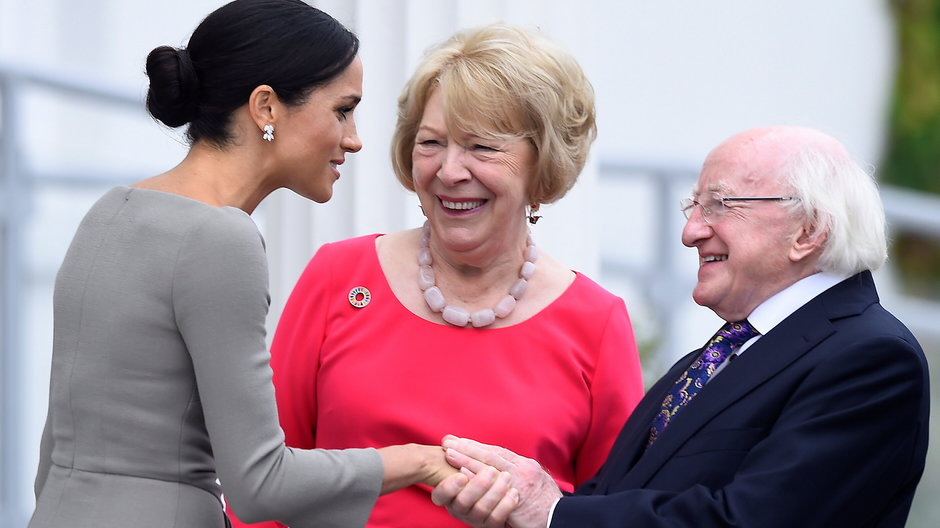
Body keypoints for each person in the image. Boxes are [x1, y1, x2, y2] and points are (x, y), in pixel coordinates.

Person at [28, 2, 456, 527]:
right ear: (266, 107)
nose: (355, 138)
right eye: (343, 110)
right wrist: (421, 461)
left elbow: (53, 455)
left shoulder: (109, 211)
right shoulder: (220, 237)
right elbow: (260, 484)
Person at [229, 23, 645, 528]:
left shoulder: (596, 322)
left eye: (482, 147)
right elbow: (262, 488)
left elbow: (612, 513)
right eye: (432, 143)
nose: (449, 171)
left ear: (544, 162)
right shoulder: (339, 275)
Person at [431, 125, 931, 528]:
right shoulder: (726, 351)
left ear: (808, 230)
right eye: (693, 206)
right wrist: (525, 504)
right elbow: (622, 495)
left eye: (719, 204)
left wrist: (554, 513)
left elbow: (755, 519)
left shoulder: (871, 358)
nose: (691, 231)